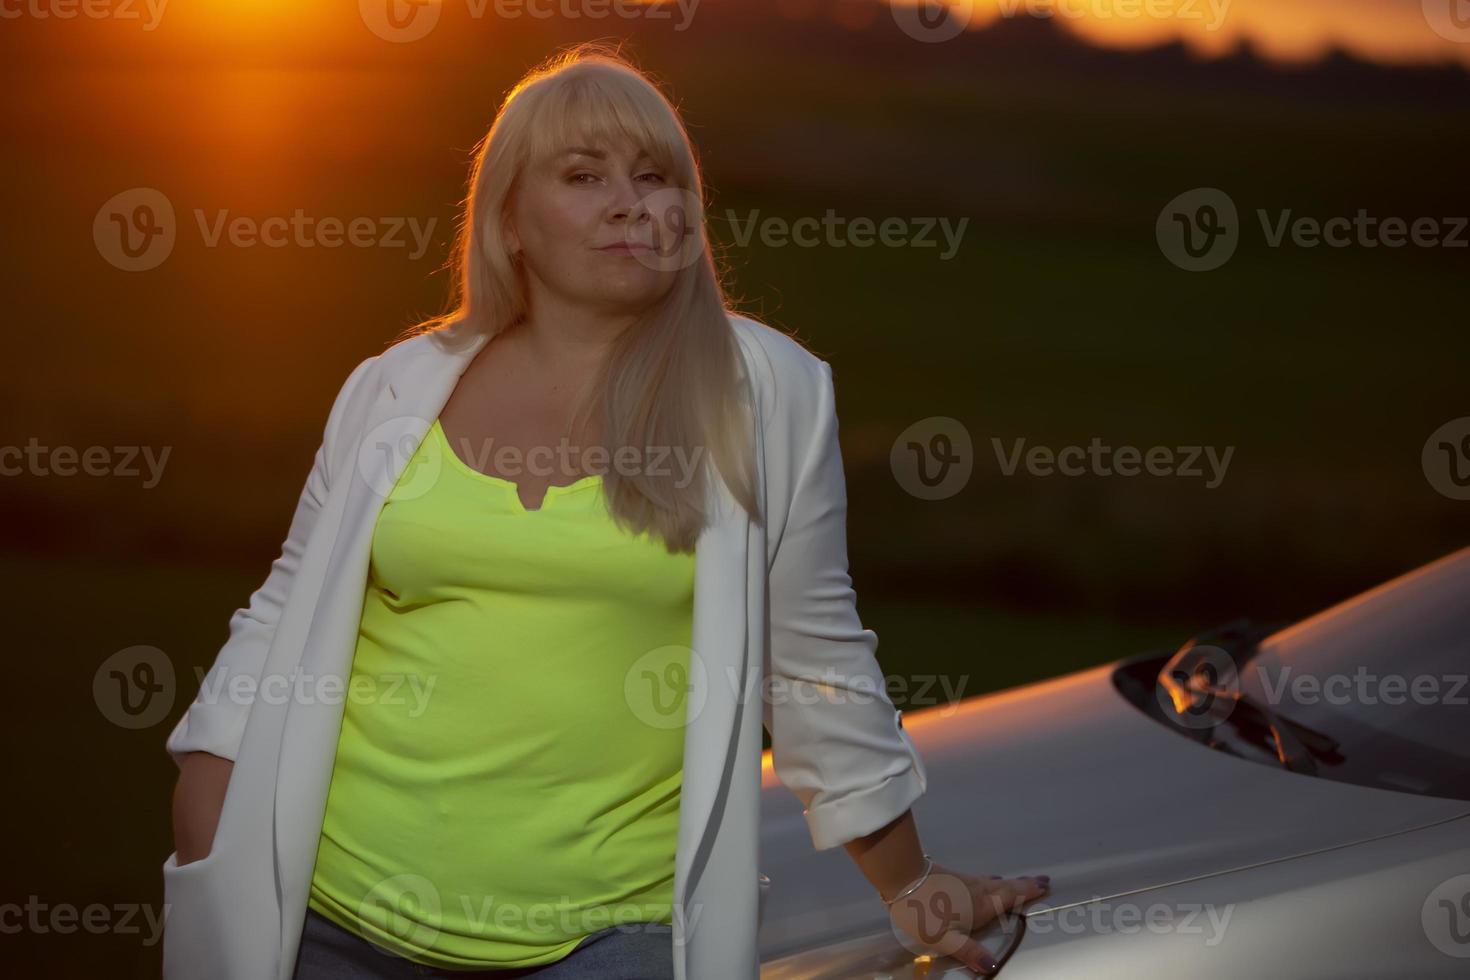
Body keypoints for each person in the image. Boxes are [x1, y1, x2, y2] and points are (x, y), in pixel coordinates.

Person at [167, 41, 1049, 980]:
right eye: (584, 175)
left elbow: (814, 657)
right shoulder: (395, 388)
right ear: (509, 221)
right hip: (331, 916)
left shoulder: (765, 394)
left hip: (608, 939)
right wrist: (208, 789)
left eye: (655, 174)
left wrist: (908, 884)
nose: (632, 201)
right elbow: (286, 606)